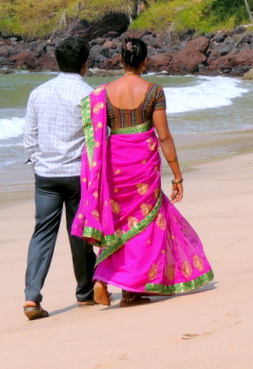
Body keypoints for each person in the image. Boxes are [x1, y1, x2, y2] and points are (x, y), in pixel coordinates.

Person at [71, 37, 213, 307]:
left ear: (121, 61)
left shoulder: (102, 93)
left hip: (115, 165)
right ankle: (129, 289)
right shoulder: (154, 91)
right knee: (143, 224)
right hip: (143, 164)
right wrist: (178, 175)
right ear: (145, 61)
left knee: (120, 222)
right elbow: (164, 136)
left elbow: (98, 136)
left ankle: (103, 278)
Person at [22, 37, 97, 320]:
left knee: (42, 234)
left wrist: (37, 163)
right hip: (77, 174)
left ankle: (32, 297)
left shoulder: (38, 93)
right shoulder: (90, 95)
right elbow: (96, 139)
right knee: (79, 233)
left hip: (46, 175)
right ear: (84, 63)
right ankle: (84, 293)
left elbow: (29, 137)